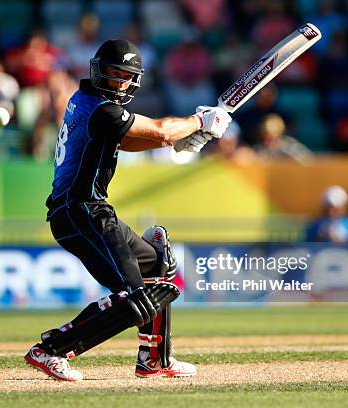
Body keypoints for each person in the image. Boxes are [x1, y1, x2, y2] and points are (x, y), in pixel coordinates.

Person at [24, 39, 231, 382]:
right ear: (97, 70)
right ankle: (51, 350)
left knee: (156, 265)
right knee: (134, 298)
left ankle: (154, 358)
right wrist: (198, 121)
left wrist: (179, 139)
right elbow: (161, 131)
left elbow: (132, 139)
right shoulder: (100, 109)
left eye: (125, 76)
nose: (118, 81)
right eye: (113, 73)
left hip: (91, 210)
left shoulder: (85, 101)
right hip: (80, 212)